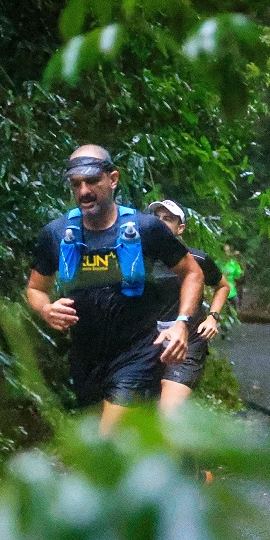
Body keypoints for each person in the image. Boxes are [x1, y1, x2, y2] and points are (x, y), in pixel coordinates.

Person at [26, 145, 204, 434]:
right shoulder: (57, 233)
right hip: (86, 358)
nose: (84, 191)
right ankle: (181, 471)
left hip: (138, 353)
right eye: (76, 184)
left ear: (113, 178)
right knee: (106, 449)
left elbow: (192, 273)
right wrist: (46, 309)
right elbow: (35, 288)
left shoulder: (146, 228)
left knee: (106, 440)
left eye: (92, 181)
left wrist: (182, 323)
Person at [147, 199, 231, 413]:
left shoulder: (197, 259)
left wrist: (212, 317)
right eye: (156, 218)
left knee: (167, 414)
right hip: (147, 344)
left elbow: (223, 286)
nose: (160, 222)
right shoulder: (137, 259)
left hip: (188, 342)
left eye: (168, 219)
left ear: (180, 228)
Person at [221, 245, 244, 311]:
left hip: (231, 291)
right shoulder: (217, 263)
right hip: (219, 291)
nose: (226, 253)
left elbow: (239, 276)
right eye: (225, 251)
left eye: (228, 251)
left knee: (235, 305)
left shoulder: (234, 264)